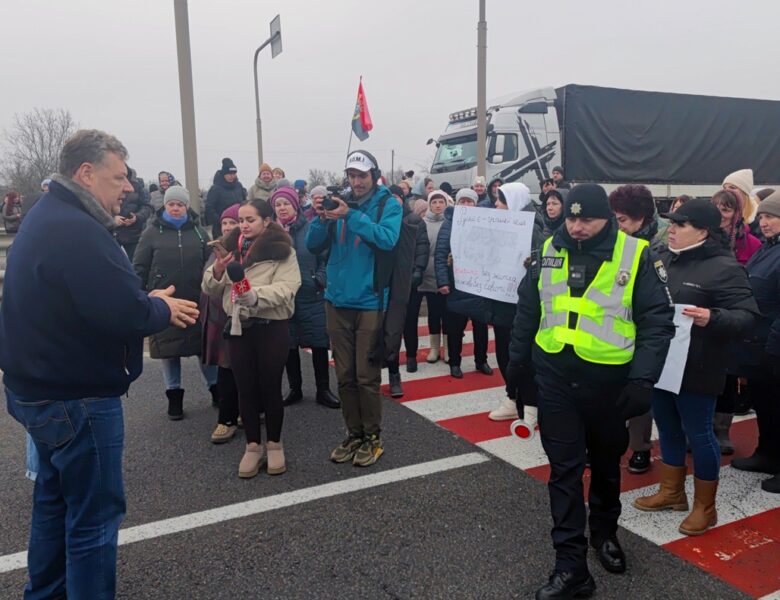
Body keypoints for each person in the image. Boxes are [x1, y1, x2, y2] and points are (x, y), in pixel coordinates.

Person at [0, 129, 199, 598]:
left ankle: (44, 593)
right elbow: (122, 312)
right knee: (93, 520)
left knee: (52, 503)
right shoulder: (76, 229)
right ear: (85, 174)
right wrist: (159, 308)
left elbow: (87, 297)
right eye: (119, 177)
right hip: (77, 398)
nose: (128, 186)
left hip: (39, 388)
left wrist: (138, 297)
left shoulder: (46, 214)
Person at [507, 184, 675, 599]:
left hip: (609, 382)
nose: (577, 227)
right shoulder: (548, 248)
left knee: (604, 463)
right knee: (563, 471)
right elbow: (529, 307)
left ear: (607, 219)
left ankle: (604, 533)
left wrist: (642, 379)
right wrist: (516, 363)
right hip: (555, 377)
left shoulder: (636, 255)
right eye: (571, 218)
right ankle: (571, 567)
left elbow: (657, 321)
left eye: (587, 219)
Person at [634, 199, 758, 534]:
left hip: (699, 365)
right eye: (670, 224)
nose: (671, 230)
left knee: (700, 433)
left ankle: (707, 506)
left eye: (680, 225)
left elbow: (748, 317)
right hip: (661, 362)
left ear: (703, 230)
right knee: (667, 428)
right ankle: (672, 492)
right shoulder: (661, 257)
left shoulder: (724, 267)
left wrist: (712, 317)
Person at [306, 150, 402, 467]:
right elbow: (312, 244)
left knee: (365, 375)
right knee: (345, 375)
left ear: (374, 175)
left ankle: (373, 437)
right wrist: (321, 219)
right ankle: (354, 433)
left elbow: (387, 239)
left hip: (371, 301)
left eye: (362, 175)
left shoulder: (388, 204)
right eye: (352, 175)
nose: (356, 181)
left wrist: (351, 216)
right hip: (337, 300)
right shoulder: (339, 203)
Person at [203, 198, 301, 477]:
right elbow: (209, 287)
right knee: (244, 388)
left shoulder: (283, 250)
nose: (243, 225)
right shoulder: (228, 248)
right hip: (238, 327)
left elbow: (288, 287)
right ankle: (252, 446)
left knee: (270, 387)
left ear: (266, 221)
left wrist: (255, 296)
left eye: (250, 220)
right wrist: (219, 270)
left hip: (272, 326)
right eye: (241, 220)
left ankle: (274, 444)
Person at [133, 185, 213, 420]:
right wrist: (139, 294)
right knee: (170, 351)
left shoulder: (198, 232)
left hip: (197, 299)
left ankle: (217, 389)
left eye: (180, 204)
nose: (176, 208)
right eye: (171, 204)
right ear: (165, 206)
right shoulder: (151, 233)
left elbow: (209, 262)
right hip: (164, 301)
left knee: (204, 348)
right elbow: (139, 266)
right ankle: (174, 397)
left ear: (186, 206)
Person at [609, 184, 666, 474]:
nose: (617, 226)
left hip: (643, 328)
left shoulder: (659, 246)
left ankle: (640, 448)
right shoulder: (615, 243)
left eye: (622, 220)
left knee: (641, 393)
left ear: (641, 217)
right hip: (615, 327)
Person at [270, 186, 340, 409]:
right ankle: (295, 388)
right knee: (288, 344)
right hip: (283, 297)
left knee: (319, 343)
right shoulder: (270, 233)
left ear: (295, 205)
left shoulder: (311, 228)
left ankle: (323, 389)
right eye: (278, 204)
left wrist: (318, 280)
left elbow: (326, 258)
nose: (282, 208)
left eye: (286, 204)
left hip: (311, 294)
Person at [731, 190, 780, 493]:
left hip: (775, 342)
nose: (764, 222)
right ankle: (768, 454)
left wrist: (774, 344)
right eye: (761, 216)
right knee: (766, 402)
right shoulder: (767, 248)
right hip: (760, 343)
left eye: (771, 216)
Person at [710, 189, 761, 451]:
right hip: (704, 314)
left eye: (726, 208)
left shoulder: (750, 243)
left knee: (728, 374)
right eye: (716, 206)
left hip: (731, 316)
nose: (720, 213)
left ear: (737, 213)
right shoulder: (702, 235)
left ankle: (722, 429)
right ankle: (701, 426)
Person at [433, 188, 492, 379]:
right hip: (457, 284)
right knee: (455, 328)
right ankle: (455, 362)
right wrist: (443, 281)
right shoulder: (449, 224)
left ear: (476, 204)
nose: (466, 205)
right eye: (462, 201)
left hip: (480, 285)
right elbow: (441, 254)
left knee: (481, 327)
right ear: (456, 204)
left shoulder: (485, 223)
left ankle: (481, 360)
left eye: (470, 202)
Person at [202, 203, 242, 443]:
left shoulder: (247, 248)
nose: (227, 227)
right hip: (220, 315)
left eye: (233, 223)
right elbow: (207, 283)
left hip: (244, 312)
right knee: (226, 368)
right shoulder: (215, 250)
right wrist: (217, 268)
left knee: (246, 369)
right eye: (224, 223)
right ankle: (226, 419)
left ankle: (245, 412)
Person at [385, 184, 429, 398]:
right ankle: (392, 370)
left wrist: (418, 269)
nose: (394, 201)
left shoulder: (414, 221)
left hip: (408, 279)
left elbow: (422, 246)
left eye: (397, 197)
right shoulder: (383, 219)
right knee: (389, 328)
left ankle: (410, 355)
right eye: (390, 197)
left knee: (409, 321)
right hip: (386, 281)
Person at [404, 189, 453, 373]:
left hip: (443, 277)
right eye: (434, 202)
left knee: (445, 314)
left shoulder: (449, 224)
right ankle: (433, 349)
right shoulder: (421, 223)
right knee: (432, 313)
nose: (438, 205)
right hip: (423, 276)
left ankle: (447, 349)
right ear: (429, 204)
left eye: (441, 202)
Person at [113, 166, 153, 261]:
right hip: (112, 234)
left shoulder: (137, 187)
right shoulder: (106, 185)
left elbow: (147, 206)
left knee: (136, 264)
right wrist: (111, 219)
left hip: (133, 234)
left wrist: (137, 217)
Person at [205, 158, 246, 239]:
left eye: (234, 174)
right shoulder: (215, 189)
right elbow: (209, 209)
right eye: (229, 174)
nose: (232, 176)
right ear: (223, 174)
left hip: (239, 226)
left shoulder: (239, 186)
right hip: (221, 229)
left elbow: (244, 203)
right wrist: (222, 222)